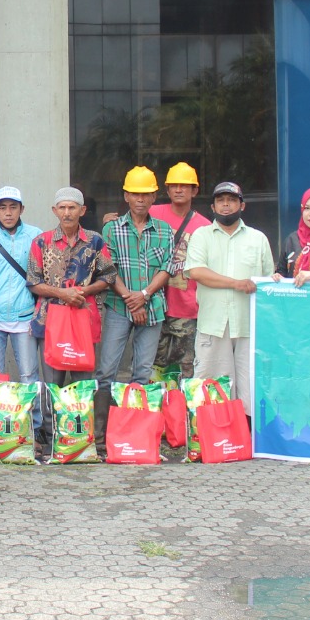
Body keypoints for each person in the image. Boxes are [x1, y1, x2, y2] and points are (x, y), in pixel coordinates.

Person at [25, 187, 117, 451]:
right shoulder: (41, 242)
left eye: (72, 207)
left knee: (82, 384)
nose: (67, 213)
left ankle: (80, 440)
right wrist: (62, 294)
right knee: (52, 384)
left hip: (83, 321)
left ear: (82, 210)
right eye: (62, 208)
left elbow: (109, 276)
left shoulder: (95, 241)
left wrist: (83, 291)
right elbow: (33, 282)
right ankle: (53, 439)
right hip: (50, 321)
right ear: (55, 211)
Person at [183, 181, 275, 409]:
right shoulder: (201, 235)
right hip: (213, 325)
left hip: (248, 326)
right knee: (212, 393)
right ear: (212, 207)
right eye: (221, 201)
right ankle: (215, 432)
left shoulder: (258, 239)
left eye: (232, 200)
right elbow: (197, 272)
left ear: (242, 206)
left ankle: (246, 431)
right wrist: (236, 283)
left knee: (250, 392)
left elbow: (268, 281)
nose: (226, 205)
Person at [99, 168, 173, 426]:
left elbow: (167, 269)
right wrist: (132, 300)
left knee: (142, 373)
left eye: (145, 194)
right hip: (118, 306)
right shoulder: (111, 229)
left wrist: (144, 295)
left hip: (152, 307)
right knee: (106, 371)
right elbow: (108, 268)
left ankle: (133, 432)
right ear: (126, 196)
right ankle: (102, 432)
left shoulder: (165, 231)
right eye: (135, 194)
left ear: (154, 197)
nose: (140, 199)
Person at [0, 186, 43, 386]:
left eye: (13, 207)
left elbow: (42, 276)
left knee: (29, 376)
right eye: (2, 208)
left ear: (22, 209)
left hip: (25, 316)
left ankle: (32, 409)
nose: (8, 213)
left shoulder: (36, 236)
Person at [148, 162, 208, 380]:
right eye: (174, 185)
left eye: (185, 185)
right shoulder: (152, 213)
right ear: (167, 189)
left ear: (195, 190)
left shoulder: (204, 226)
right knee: (152, 369)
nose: (179, 190)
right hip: (154, 305)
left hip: (187, 307)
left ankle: (180, 403)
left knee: (184, 371)